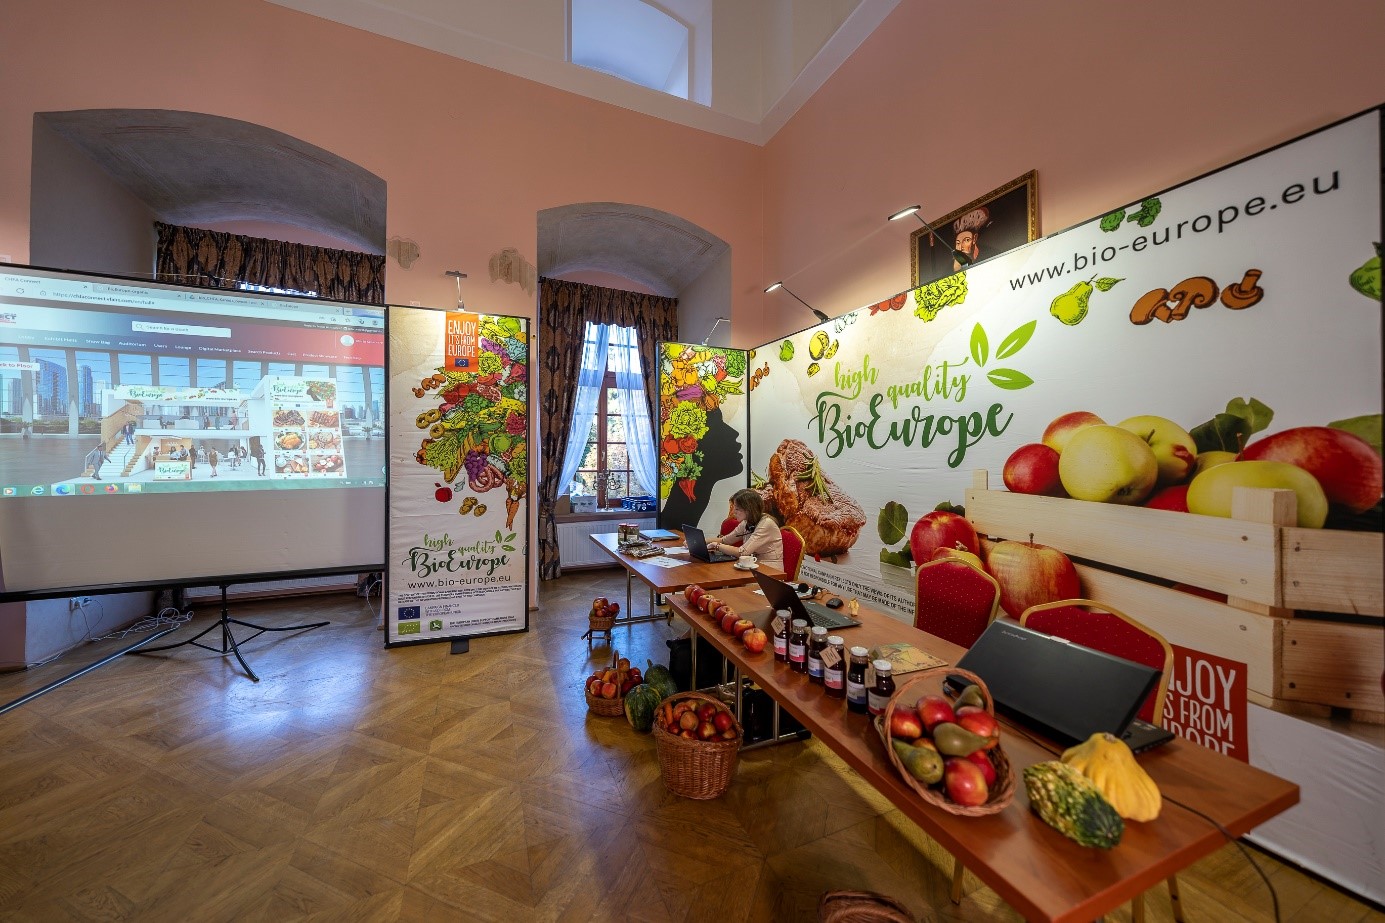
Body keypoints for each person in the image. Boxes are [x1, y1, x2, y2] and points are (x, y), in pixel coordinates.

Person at [708, 488, 783, 570]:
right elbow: (725, 540)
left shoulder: (766, 524)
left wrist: (716, 546)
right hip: (751, 565)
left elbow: (742, 552)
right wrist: (703, 541)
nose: (734, 512)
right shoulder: (747, 522)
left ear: (749, 509)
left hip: (770, 570)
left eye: (737, 508)